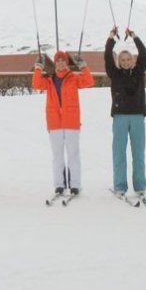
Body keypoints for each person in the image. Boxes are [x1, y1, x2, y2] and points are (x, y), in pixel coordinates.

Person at [31, 50, 94, 197]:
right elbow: (36, 84)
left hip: (71, 122)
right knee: (57, 155)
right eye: (57, 60)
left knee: (73, 154)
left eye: (63, 60)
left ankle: (75, 185)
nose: (60, 63)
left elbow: (89, 81)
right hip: (54, 123)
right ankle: (59, 184)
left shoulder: (73, 78)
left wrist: (83, 66)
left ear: (66, 63)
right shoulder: (49, 79)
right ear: (55, 63)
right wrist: (38, 68)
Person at [104, 28, 146, 199]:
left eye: (128, 59)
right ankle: (120, 186)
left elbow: (144, 55)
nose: (125, 61)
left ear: (132, 60)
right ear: (119, 61)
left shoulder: (138, 72)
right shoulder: (114, 74)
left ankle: (140, 187)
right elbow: (108, 57)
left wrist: (135, 37)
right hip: (120, 117)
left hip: (137, 116)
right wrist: (111, 38)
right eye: (122, 59)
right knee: (119, 153)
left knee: (138, 153)